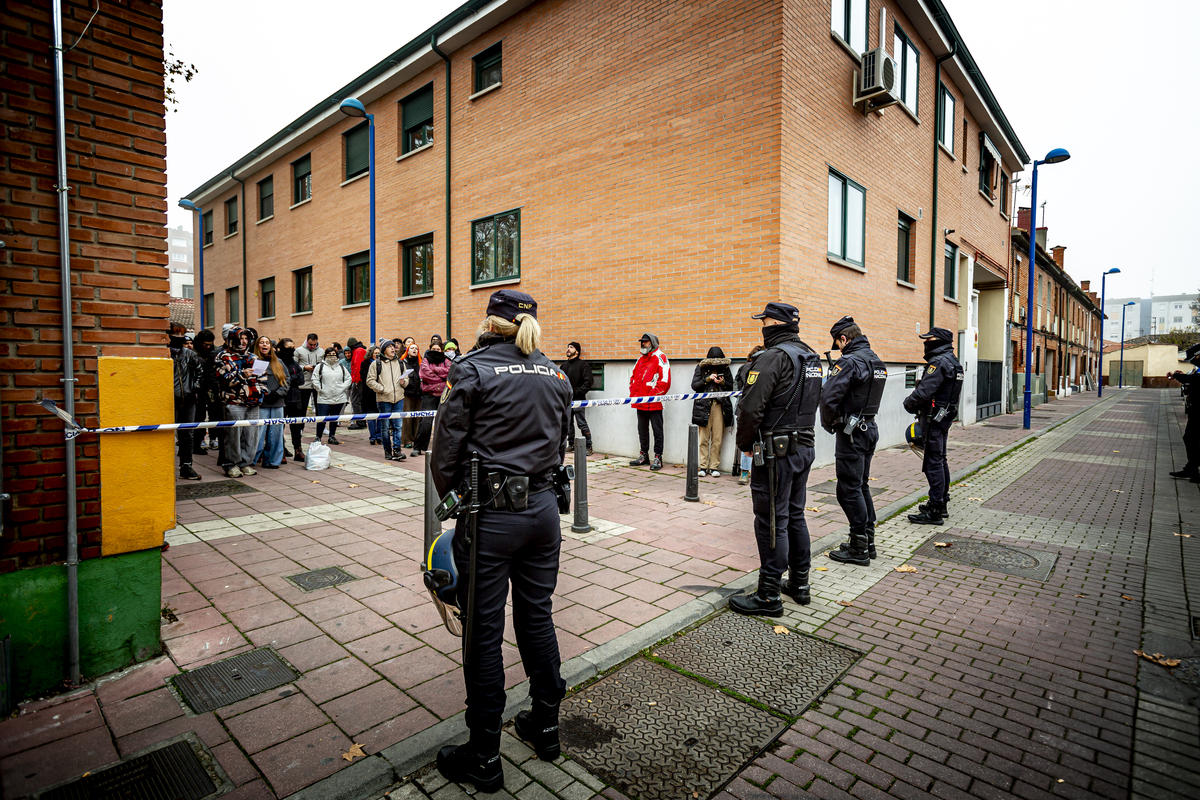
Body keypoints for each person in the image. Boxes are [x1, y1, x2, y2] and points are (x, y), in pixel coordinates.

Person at [430, 290, 571, 792]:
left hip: (491, 517)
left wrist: (457, 507)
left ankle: (484, 755)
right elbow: (562, 442)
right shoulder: (555, 372)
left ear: (491, 322)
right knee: (537, 616)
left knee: (483, 629)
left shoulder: (471, 369)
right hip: (543, 512)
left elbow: (444, 453)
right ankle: (546, 728)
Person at [728, 303, 821, 615]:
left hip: (776, 452)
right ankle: (800, 583)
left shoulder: (773, 357)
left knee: (771, 519)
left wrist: (744, 445)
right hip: (804, 446)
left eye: (764, 320)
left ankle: (769, 595)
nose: (761, 325)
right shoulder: (810, 355)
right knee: (795, 515)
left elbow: (751, 407)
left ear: (775, 323)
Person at [819, 317, 888, 564]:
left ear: (844, 339)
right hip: (869, 428)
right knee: (861, 486)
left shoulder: (848, 361)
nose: (839, 348)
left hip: (851, 432)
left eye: (838, 343)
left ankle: (859, 547)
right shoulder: (876, 360)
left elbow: (828, 398)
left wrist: (829, 424)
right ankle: (867, 541)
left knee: (848, 489)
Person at [903, 327, 964, 525]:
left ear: (940, 341)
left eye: (930, 339)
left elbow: (924, 392)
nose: (926, 343)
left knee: (933, 462)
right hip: (944, 417)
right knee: (940, 459)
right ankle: (941, 503)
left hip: (933, 419)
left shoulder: (938, 363)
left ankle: (935, 510)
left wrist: (908, 404)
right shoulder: (954, 362)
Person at [215, 326, 262, 477]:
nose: (243, 341)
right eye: (240, 338)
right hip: (233, 402)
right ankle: (231, 464)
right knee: (233, 434)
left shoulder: (254, 358)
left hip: (253, 402)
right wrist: (242, 374)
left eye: (246, 338)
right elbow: (221, 379)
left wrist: (261, 392)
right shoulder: (223, 356)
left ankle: (245, 463)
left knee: (251, 434)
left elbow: (262, 378)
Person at [629, 333, 670, 470]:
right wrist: (635, 395)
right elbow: (633, 378)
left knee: (657, 431)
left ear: (652, 343)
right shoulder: (640, 359)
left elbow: (664, 381)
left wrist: (652, 396)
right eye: (642, 342)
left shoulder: (661, 357)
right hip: (640, 402)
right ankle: (644, 455)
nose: (643, 344)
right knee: (642, 430)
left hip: (654, 402)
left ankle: (658, 457)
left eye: (645, 342)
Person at [691, 347, 733, 476]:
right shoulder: (701, 368)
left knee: (717, 438)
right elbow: (694, 386)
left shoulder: (725, 368)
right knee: (703, 438)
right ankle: (703, 467)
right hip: (704, 406)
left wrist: (723, 382)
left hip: (719, 405)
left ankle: (714, 467)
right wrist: (707, 379)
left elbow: (732, 386)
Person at [169, 322, 203, 480]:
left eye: (182, 335)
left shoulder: (190, 354)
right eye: (176, 334)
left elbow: (200, 374)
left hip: (189, 399)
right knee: (167, 434)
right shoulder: (164, 354)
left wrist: (195, 388)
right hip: (168, 400)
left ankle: (186, 465)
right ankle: (167, 467)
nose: (179, 338)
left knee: (187, 434)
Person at [367, 338, 409, 461]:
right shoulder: (376, 364)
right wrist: (381, 389)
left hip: (399, 398)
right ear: (384, 350)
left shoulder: (401, 363)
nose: (392, 348)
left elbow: (406, 379)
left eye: (393, 346)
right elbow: (370, 381)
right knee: (385, 427)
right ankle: (387, 450)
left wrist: (404, 382)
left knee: (398, 426)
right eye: (389, 346)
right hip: (384, 399)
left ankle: (397, 450)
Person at [251, 335, 290, 469]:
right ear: (257, 345)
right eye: (261, 343)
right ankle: (252, 460)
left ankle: (273, 461)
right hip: (261, 404)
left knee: (276, 434)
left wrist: (276, 394)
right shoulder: (252, 361)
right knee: (258, 434)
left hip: (277, 403)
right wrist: (264, 393)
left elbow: (286, 380)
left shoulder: (278, 362)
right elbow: (251, 381)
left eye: (267, 343)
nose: (264, 345)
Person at [1169, 343, 1200, 482]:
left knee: (1192, 439)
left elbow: (1195, 380)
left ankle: (1193, 470)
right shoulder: (1198, 369)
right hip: (1196, 409)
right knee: (1190, 438)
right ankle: (1192, 469)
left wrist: (1177, 375)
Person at [414, 342, 451, 455]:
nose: (436, 350)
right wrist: (441, 377)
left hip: (444, 395)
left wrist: (435, 371)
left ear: (442, 350)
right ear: (430, 349)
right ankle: (418, 447)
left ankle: (443, 449)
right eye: (433, 348)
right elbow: (425, 375)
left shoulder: (447, 360)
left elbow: (450, 372)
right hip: (429, 394)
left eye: (438, 349)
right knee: (425, 422)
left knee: (445, 422)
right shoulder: (425, 360)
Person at [734, 345, 764, 485]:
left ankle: (745, 472)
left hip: (742, 408)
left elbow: (736, 386)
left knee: (747, 438)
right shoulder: (755, 367)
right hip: (754, 409)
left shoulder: (744, 367)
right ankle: (749, 471)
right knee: (754, 439)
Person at [313, 346, 352, 445]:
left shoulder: (341, 367)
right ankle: (318, 437)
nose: (332, 356)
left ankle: (332, 436)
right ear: (325, 356)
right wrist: (320, 389)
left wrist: (343, 388)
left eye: (334, 354)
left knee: (334, 418)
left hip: (339, 398)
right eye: (329, 354)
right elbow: (315, 379)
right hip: (324, 398)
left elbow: (348, 379)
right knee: (322, 419)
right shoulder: (320, 367)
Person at [560, 341, 594, 454]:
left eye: (571, 347)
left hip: (579, 400)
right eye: (568, 347)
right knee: (568, 423)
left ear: (577, 351)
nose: (568, 349)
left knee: (581, 423)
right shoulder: (563, 366)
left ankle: (589, 446)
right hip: (566, 401)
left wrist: (577, 392)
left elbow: (588, 382)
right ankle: (571, 444)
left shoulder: (583, 365)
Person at [277, 337, 306, 462]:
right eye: (288, 348)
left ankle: (298, 449)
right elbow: (281, 379)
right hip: (282, 399)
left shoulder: (294, 363)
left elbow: (301, 380)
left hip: (295, 398)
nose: (291, 350)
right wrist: (291, 378)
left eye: (293, 347)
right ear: (281, 348)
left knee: (297, 426)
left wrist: (290, 378)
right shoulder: (277, 362)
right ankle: (281, 450)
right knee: (279, 427)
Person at [401, 341, 423, 448]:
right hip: (407, 394)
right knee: (407, 418)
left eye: (416, 349)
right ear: (407, 351)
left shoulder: (421, 363)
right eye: (412, 348)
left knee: (418, 418)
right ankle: (407, 440)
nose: (414, 350)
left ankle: (416, 439)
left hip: (419, 394)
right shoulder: (403, 363)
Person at [297, 334, 323, 415]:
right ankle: (300, 427)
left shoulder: (321, 352)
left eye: (315, 344)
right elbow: (294, 366)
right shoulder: (299, 351)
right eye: (311, 344)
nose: (312, 346)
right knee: (302, 407)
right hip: (304, 383)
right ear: (307, 341)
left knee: (319, 407)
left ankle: (321, 427)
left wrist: (318, 368)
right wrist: (304, 367)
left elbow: (324, 365)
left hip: (317, 382)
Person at [345, 338, 368, 429]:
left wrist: (356, 381)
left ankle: (360, 422)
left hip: (359, 381)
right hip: (361, 380)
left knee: (356, 401)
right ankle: (361, 421)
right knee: (358, 401)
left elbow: (358, 367)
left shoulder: (357, 351)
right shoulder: (360, 350)